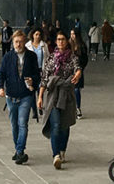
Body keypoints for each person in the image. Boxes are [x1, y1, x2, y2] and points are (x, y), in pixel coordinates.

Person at [37, 29, 81, 169]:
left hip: (66, 94)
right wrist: (40, 97)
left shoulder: (72, 57)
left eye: (63, 39)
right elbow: (44, 78)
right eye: (58, 39)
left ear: (67, 41)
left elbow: (77, 68)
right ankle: (55, 155)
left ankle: (62, 150)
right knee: (55, 124)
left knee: (65, 125)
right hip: (52, 95)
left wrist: (78, 74)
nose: (61, 42)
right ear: (56, 41)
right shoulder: (51, 58)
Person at [0, 29, 40, 164]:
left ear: (25, 42)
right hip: (11, 96)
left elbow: (37, 75)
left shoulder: (31, 56)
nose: (18, 44)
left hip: (26, 95)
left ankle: (20, 151)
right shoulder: (8, 57)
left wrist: (33, 80)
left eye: (21, 42)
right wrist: (0, 88)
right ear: (13, 42)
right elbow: (1, 74)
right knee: (14, 125)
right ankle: (18, 149)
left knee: (22, 123)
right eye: (16, 42)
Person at [69, 29, 89, 118]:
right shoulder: (68, 45)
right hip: (68, 71)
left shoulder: (82, 46)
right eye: (71, 34)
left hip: (78, 71)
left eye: (74, 34)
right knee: (69, 90)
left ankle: (77, 108)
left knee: (76, 90)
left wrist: (80, 69)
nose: (72, 36)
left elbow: (85, 59)